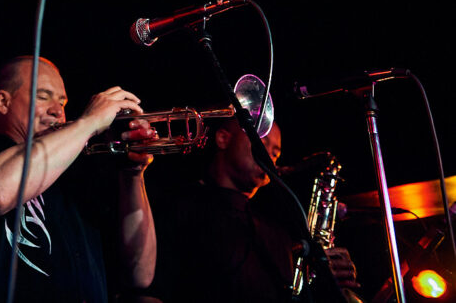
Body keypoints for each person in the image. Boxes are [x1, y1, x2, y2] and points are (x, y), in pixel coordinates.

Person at [0, 56, 158, 302]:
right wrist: (90, 122)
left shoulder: (76, 175)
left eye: (63, 101)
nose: (58, 110)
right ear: (3, 102)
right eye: (44, 96)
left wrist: (133, 175)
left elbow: (140, 275)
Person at [147, 118, 362, 302]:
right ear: (223, 138)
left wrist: (319, 278)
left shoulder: (279, 231)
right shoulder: (179, 206)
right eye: (261, 143)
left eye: (275, 154)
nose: (269, 157)